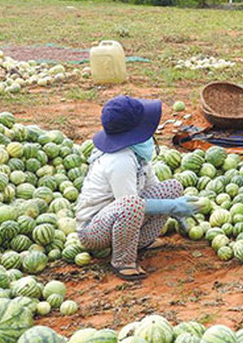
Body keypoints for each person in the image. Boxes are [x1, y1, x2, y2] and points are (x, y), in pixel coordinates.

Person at [76, 95, 202, 281]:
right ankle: (122, 261)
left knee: (172, 188)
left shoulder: (136, 155)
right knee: (133, 205)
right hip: (94, 231)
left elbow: (154, 189)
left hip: (120, 220)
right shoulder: (120, 160)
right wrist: (173, 207)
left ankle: (141, 242)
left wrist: (173, 207)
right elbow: (131, 204)